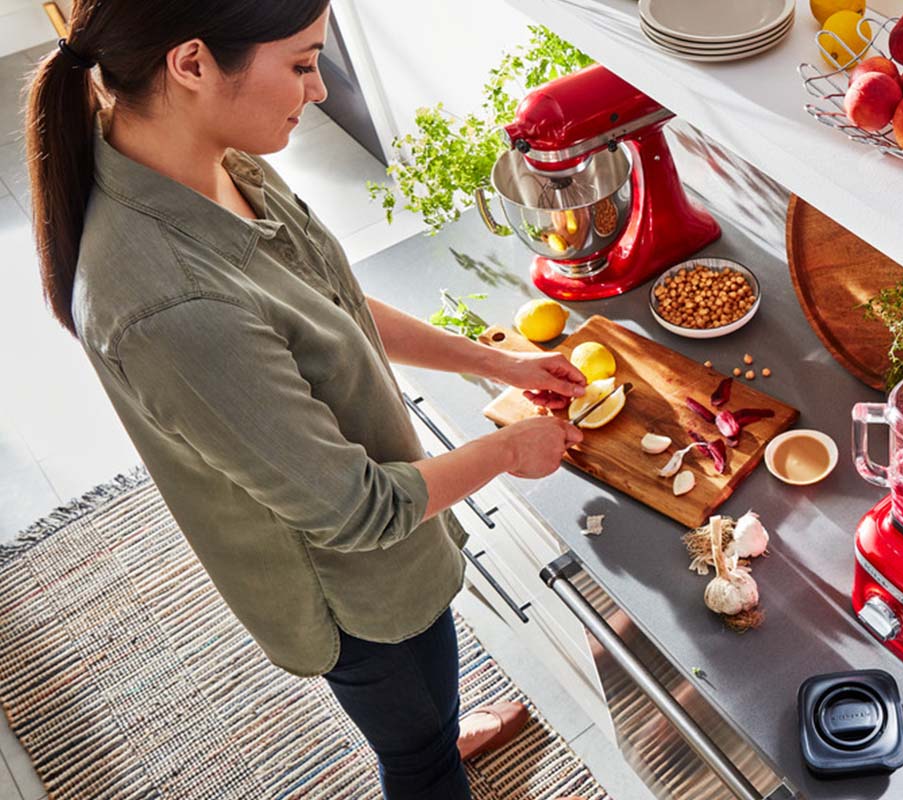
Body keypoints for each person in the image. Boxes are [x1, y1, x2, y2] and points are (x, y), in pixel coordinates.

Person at [24, 2, 591, 797]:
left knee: (430, 697)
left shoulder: (208, 157)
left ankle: (438, 726)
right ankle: (431, 750)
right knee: (416, 755)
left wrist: (495, 364)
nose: (319, 90)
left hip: (380, 535)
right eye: (299, 63)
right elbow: (357, 513)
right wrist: (507, 450)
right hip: (351, 588)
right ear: (190, 64)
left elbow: (329, 297)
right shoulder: (171, 306)